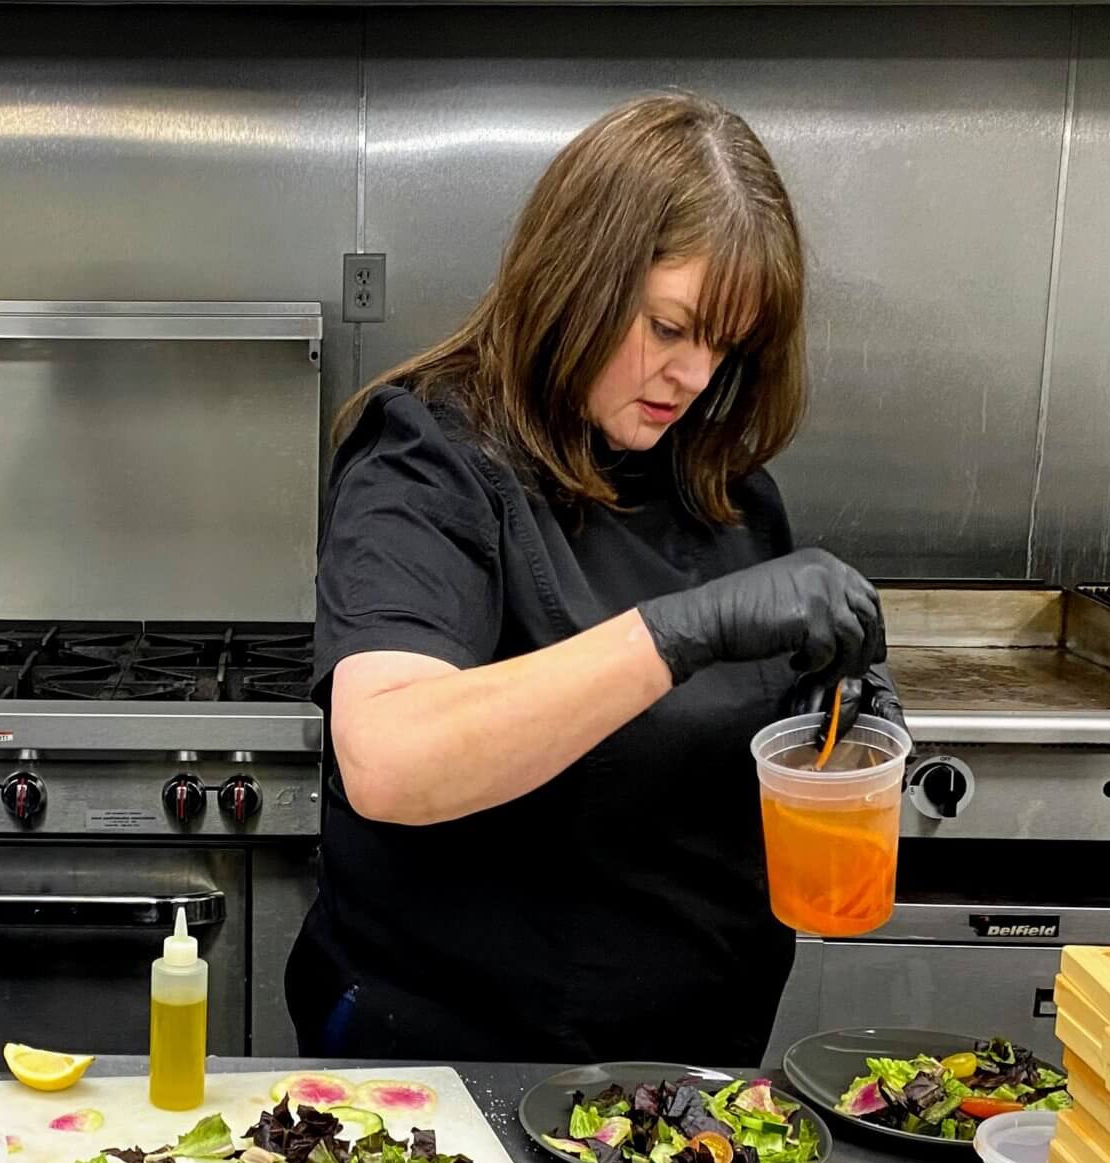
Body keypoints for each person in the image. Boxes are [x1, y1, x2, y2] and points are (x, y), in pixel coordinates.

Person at [286, 93, 898, 1065]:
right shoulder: (429, 463)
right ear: (577, 278)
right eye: (666, 327)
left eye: (724, 345)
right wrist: (678, 633)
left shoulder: (723, 486)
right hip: (461, 1082)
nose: (692, 376)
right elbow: (389, 759)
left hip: (690, 1079)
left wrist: (837, 723)